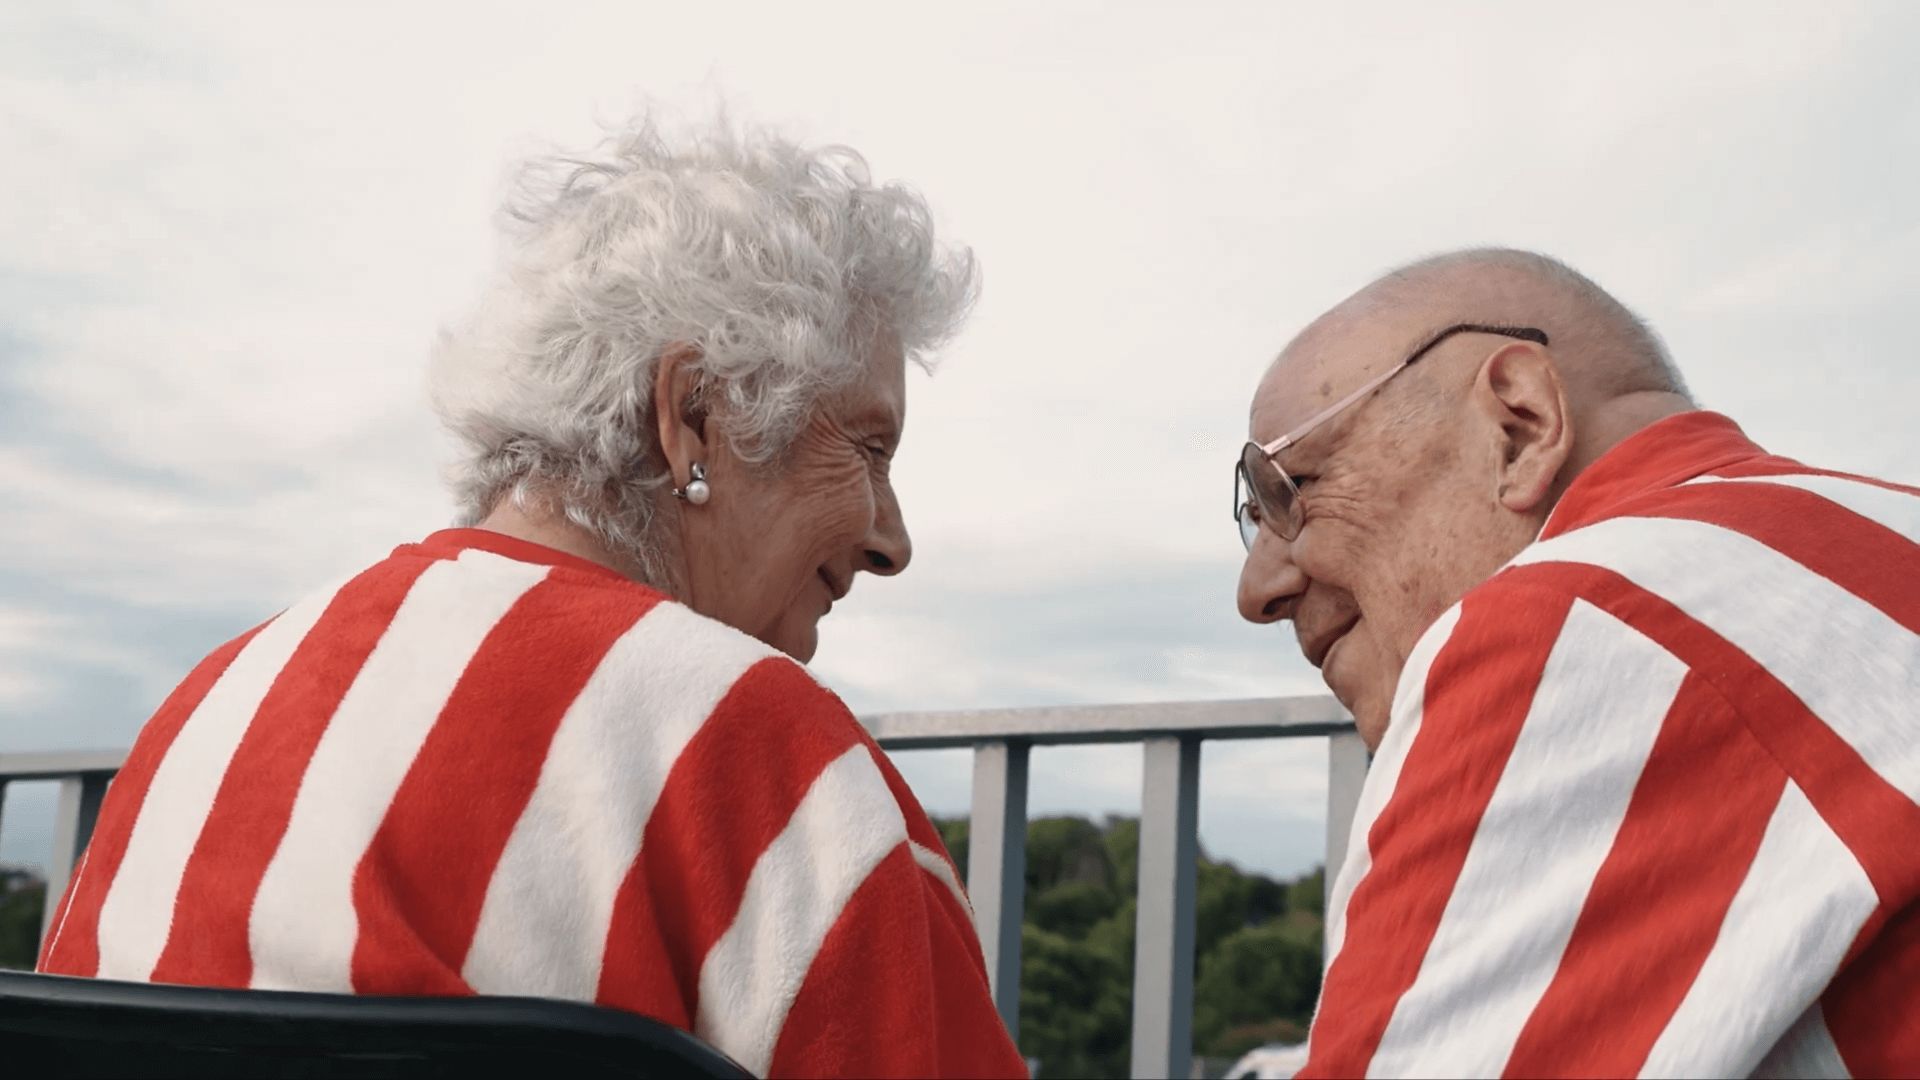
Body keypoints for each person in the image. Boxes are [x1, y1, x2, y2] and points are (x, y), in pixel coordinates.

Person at [38, 114, 1027, 1079]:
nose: (892, 539)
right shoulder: (769, 760)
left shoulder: (210, 707)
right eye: (868, 449)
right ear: (692, 418)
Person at [1235, 248, 1918, 1077]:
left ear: (1519, 427)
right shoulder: (1883, 527)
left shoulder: (1588, 615)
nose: (1259, 587)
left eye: (1290, 486)